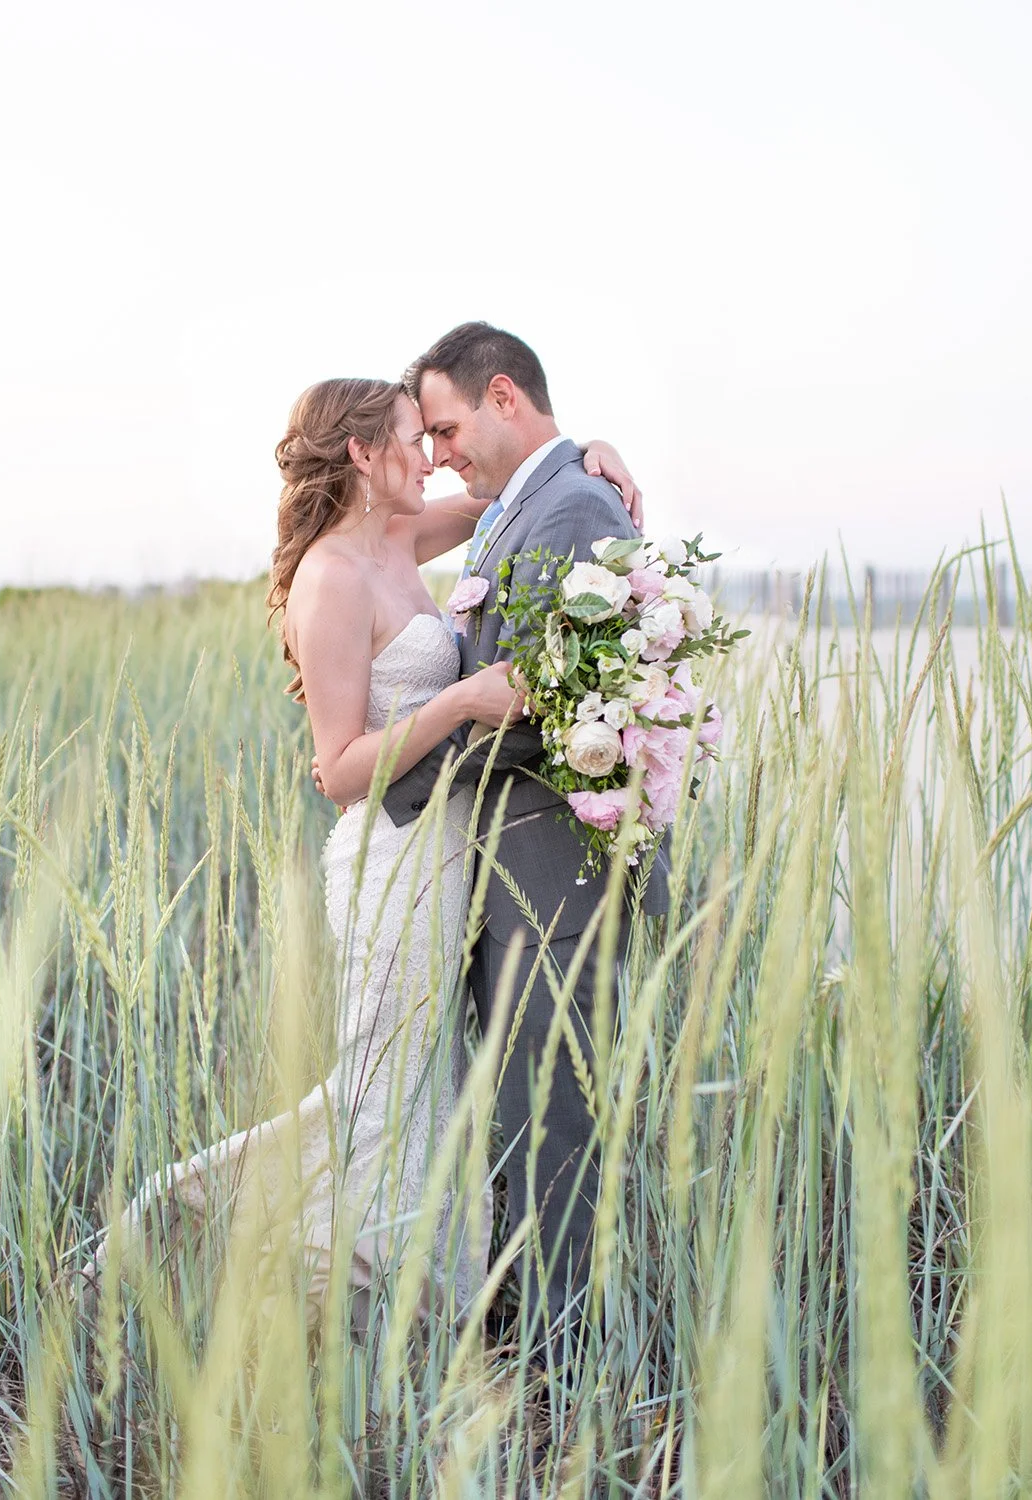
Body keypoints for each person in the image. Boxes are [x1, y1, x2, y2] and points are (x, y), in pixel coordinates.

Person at [95, 374, 639, 1329]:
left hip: (447, 856)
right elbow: (340, 767)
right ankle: (343, 1294)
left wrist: (596, 453)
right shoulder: (332, 579)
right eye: (407, 438)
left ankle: (378, 1276)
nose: (428, 456)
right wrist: (463, 702)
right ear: (359, 453)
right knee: (381, 1090)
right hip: (391, 859)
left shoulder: (398, 539)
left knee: (410, 1082)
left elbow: (512, 493)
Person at [381, 322, 669, 1365]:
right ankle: (524, 1309)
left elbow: (555, 709)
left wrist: (393, 778)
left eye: (448, 426)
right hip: (508, 864)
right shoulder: (524, 506)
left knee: (551, 1107)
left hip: (555, 868)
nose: (441, 449)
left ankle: (557, 1347)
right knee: (518, 1095)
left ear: (504, 395)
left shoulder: (574, 505)